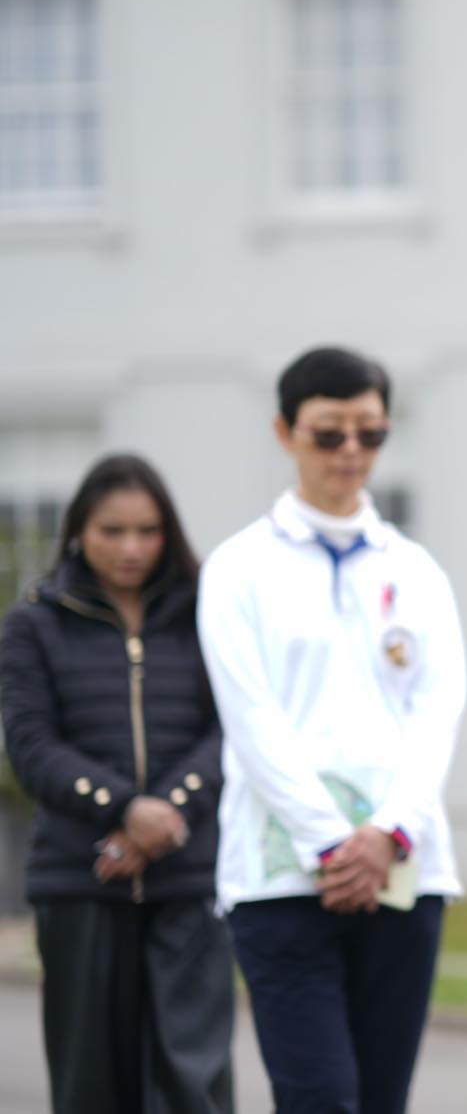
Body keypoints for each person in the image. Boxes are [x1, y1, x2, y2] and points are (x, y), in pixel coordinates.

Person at [198, 346, 467, 1114]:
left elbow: (437, 708)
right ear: (285, 432)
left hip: (403, 874)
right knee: (318, 1097)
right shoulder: (239, 568)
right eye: (329, 433)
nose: (351, 452)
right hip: (282, 877)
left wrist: (388, 835)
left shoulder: (416, 570)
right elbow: (250, 719)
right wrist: (329, 842)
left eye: (370, 433)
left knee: (381, 1100)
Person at [0, 453, 234, 1114]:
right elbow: (33, 746)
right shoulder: (34, 623)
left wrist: (166, 818)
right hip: (82, 884)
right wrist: (125, 808)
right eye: (113, 531)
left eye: (148, 530)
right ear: (79, 532)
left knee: (194, 1083)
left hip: (189, 882)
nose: (132, 548)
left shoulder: (206, 616)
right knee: (91, 1085)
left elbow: (231, 732)